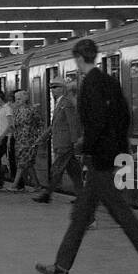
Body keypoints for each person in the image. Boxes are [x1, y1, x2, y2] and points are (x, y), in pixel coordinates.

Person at [36, 38, 138, 274]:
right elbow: (124, 117)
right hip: (108, 154)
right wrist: (118, 146)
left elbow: (95, 122)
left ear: (77, 58)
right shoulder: (109, 82)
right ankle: (61, 266)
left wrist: (85, 144)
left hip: (99, 159)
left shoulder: (89, 85)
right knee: (82, 214)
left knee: (117, 213)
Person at [34, 74, 83, 203]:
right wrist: (43, 137)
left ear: (63, 88)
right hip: (61, 141)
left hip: (65, 143)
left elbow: (72, 123)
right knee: (74, 171)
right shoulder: (60, 103)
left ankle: (47, 194)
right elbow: (54, 124)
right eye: (51, 87)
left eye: (55, 87)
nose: (52, 90)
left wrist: (74, 141)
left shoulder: (66, 103)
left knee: (57, 168)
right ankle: (82, 196)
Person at [9, 90, 44, 192]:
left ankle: (14, 185)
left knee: (22, 162)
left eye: (19, 99)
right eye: (16, 99)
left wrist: (39, 137)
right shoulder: (17, 111)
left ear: (25, 98)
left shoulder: (32, 110)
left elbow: (40, 123)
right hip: (19, 139)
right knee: (28, 163)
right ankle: (37, 185)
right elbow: (13, 125)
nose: (17, 101)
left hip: (29, 140)